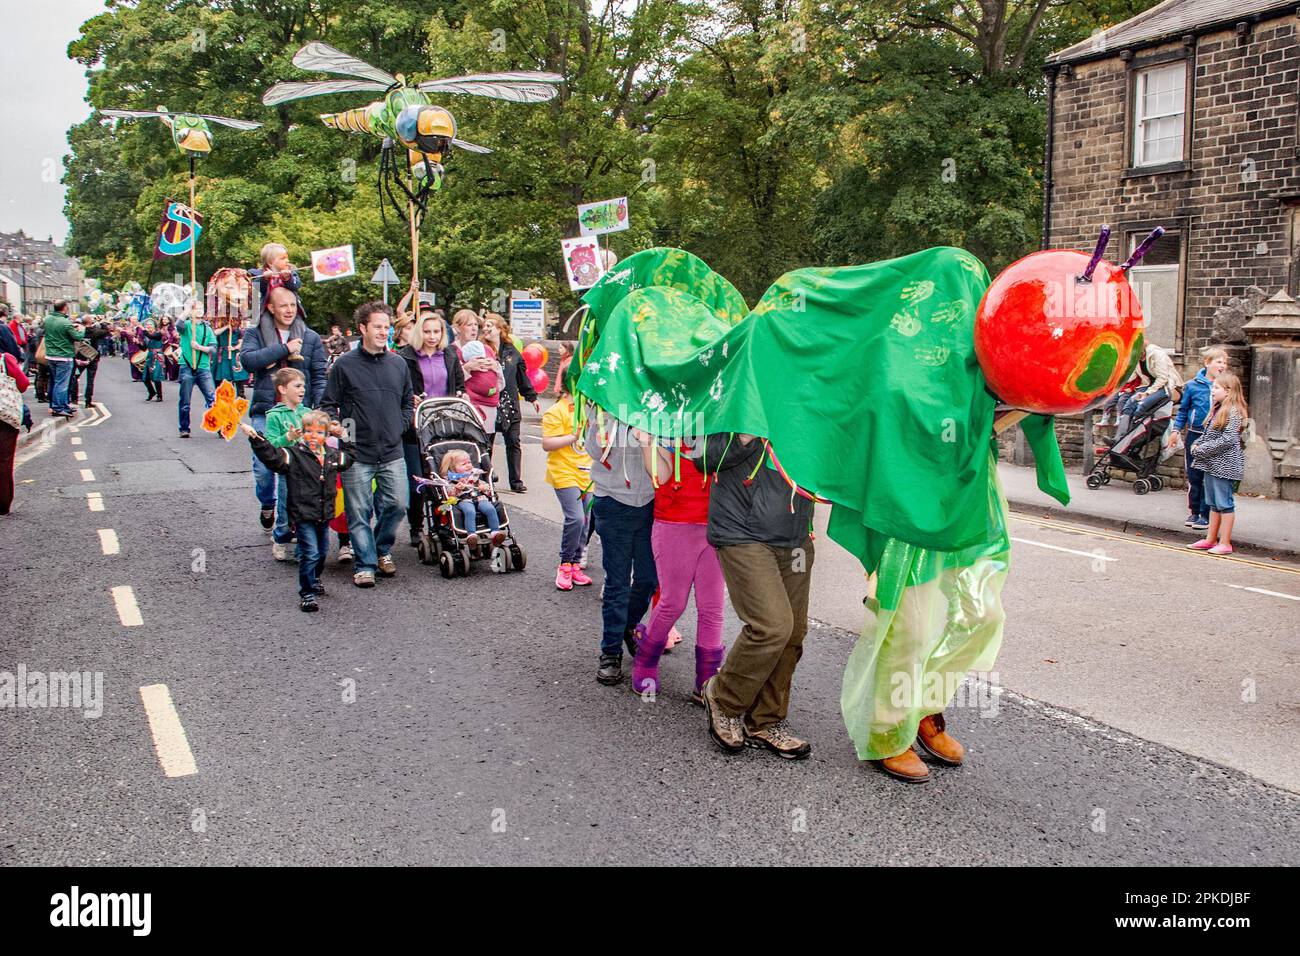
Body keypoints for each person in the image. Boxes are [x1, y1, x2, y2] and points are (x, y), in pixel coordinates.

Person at [699, 433, 815, 761]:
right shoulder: (743, 392)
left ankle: (766, 720)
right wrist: (745, 436)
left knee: (792, 634)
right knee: (772, 626)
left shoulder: (814, 393)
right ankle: (724, 698)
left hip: (795, 538)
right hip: (742, 531)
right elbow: (701, 457)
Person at [320, 301, 413, 588]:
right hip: (357, 452)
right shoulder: (344, 366)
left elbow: (407, 401)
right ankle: (366, 564)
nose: (383, 332)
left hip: (392, 450)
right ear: (362, 328)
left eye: (387, 327)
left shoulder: (399, 363)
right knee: (358, 511)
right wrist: (344, 434)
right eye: (377, 326)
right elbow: (328, 405)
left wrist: (400, 424)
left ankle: (381, 548)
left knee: (398, 505)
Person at [632, 434, 725, 703]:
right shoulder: (667, 419)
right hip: (674, 523)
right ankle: (646, 660)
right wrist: (646, 441)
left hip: (718, 526)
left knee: (713, 606)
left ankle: (706, 679)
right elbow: (661, 476)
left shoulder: (722, 417)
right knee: (673, 601)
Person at [243, 411, 355, 612]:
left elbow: (351, 457)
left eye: (319, 432)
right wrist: (256, 438)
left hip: (323, 513)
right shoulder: (294, 455)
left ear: (327, 435)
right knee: (310, 553)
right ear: (302, 433)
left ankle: (315, 577)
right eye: (309, 431)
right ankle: (307, 593)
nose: (314, 436)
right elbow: (272, 457)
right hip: (303, 514)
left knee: (321, 553)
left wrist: (345, 435)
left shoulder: (332, 456)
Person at [241, 285, 327, 530]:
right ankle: (267, 503)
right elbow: (248, 361)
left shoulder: (309, 336)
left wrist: (317, 408)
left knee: (294, 470)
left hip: (299, 413)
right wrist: (284, 349)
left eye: (292, 305)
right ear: (270, 308)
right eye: (282, 306)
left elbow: (319, 375)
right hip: (266, 410)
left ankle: (288, 525)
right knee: (264, 469)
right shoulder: (255, 333)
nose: (289, 310)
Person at [586, 409, 658, 686]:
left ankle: (628, 625)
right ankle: (610, 652)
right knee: (617, 583)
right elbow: (594, 450)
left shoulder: (659, 403)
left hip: (652, 504)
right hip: (613, 501)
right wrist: (602, 419)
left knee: (648, 579)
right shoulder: (605, 406)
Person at [398, 309, 465, 545]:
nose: (432, 336)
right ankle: (416, 526)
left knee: (442, 476)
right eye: (427, 331)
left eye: (436, 331)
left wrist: (462, 397)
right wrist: (410, 399)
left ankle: (442, 523)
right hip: (415, 426)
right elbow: (400, 388)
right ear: (419, 332)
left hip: (442, 424)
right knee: (417, 478)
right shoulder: (406, 357)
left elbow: (458, 383)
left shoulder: (449, 355)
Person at [541, 364, 593, 590]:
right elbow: (547, 444)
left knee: (587, 520)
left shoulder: (589, 410)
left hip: (587, 473)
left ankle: (575, 565)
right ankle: (564, 564)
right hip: (564, 472)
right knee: (576, 518)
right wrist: (573, 436)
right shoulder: (556, 411)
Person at [1187, 372, 1247, 556]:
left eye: (1216, 388)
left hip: (1225, 466)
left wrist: (1201, 449)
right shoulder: (1219, 409)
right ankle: (1210, 539)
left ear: (1228, 391)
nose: (1212, 391)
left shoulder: (1233, 411)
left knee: (1224, 504)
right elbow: (1208, 435)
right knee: (1212, 503)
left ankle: (1225, 542)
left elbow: (1228, 440)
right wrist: (1197, 443)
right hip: (1213, 464)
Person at [1172, 347, 1228, 533]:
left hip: (1213, 437)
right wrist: (1175, 430)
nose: (1222, 365)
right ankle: (1194, 511)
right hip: (1195, 434)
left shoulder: (1226, 386)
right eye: (1218, 361)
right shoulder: (1192, 385)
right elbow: (1183, 410)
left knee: (1208, 477)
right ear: (1207, 363)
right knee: (1194, 475)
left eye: (1224, 362)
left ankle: (1205, 514)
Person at [482, 313, 538, 492]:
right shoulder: (480, 349)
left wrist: (532, 397)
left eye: (490, 325)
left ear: (500, 328)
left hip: (509, 403)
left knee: (513, 441)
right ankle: (485, 478)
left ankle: (516, 481)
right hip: (488, 403)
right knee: (486, 443)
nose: (486, 328)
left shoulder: (512, 351)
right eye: (485, 325)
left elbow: (521, 377)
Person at [264, 367, 310, 561]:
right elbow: (271, 444)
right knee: (285, 506)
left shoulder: (307, 412)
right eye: (297, 386)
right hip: (288, 469)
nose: (303, 390)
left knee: (305, 507)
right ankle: (281, 537)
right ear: (282, 389)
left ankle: (302, 546)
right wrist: (288, 437)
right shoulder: (274, 415)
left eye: (304, 386)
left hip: (308, 469)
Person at [440, 449, 506, 548]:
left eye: (469, 462)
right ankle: (471, 535)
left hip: (479, 497)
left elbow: (484, 487)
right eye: (464, 464)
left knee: (490, 508)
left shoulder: (474, 475)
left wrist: (484, 487)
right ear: (453, 468)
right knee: (469, 511)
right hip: (463, 499)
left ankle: (495, 533)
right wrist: (457, 489)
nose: (468, 465)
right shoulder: (452, 479)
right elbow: (449, 495)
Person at [452, 310, 502, 434]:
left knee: (486, 449)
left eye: (476, 325)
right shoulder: (451, 351)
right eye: (469, 325)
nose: (474, 329)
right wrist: (467, 368)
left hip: (489, 406)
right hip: (465, 408)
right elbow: (448, 382)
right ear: (458, 328)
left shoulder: (487, 349)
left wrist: (496, 366)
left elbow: (500, 382)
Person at [175, 311, 218, 438]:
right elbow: (178, 324)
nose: (198, 310)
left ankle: (220, 425)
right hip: (187, 367)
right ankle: (184, 428)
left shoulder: (207, 328)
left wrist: (199, 347)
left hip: (203, 368)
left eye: (200, 308)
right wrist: (187, 309)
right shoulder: (187, 325)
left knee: (212, 399)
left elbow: (213, 349)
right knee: (185, 401)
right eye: (195, 308)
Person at [1, 348, 31, 515]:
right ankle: (3, 503)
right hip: (4, 416)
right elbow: (23, 384)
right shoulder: (5, 359)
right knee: (4, 460)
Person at [42, 301, 84, 418]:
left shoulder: (48, 319)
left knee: (54, 382)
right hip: (64, 356)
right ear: (65, 308)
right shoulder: (65, 322)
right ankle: (58, 407)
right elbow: (78, 337)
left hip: (50, 355)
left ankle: (62, 405)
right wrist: (81, 329)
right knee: (62, 384)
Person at [138, 320, 166, 402]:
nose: (148, 326)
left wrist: (143, 329)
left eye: (150, 324)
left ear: (154, 326)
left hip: (158, 356)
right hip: (150, 356)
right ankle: (151, 392)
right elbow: (144, 348)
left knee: (156, 377)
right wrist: (138, 343)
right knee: (145, 378)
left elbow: (152, 337)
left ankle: (159, 395)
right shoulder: (147, 336)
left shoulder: (158, 333)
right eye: (147, 324)